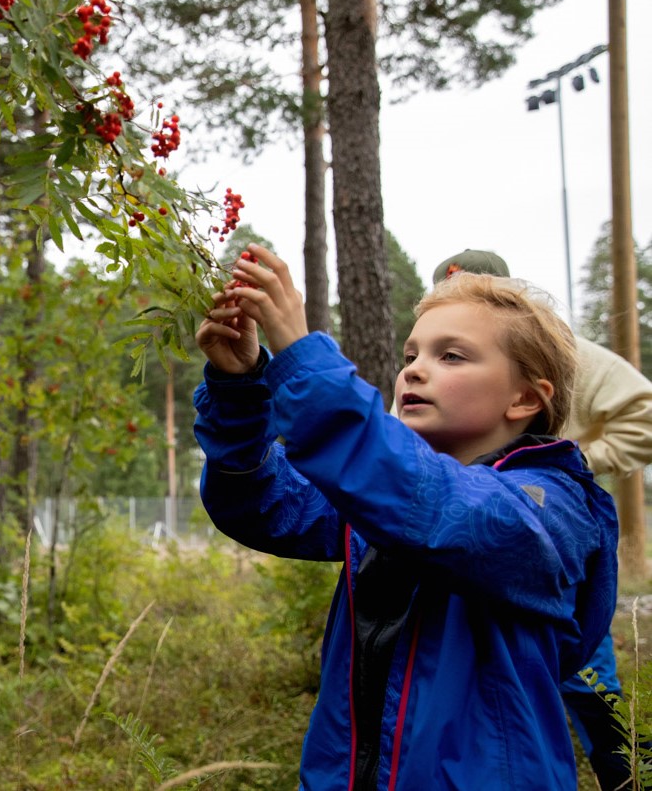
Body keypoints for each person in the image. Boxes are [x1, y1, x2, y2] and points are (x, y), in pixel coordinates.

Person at [193, 244, 618, 790]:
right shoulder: (386, 495)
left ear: (524, 398)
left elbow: (445, 510)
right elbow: (261, 504)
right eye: (412, 354)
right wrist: (241, 387)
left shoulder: (550, 505)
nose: (415, 370)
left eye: (452, 356)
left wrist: (300, 356)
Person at [435, 248, 652, 790]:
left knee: (586, 680)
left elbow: (642, 412)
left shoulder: (561, 354)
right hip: (454, 550)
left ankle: (629, 782)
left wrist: (580, 459)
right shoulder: (429, 365)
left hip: (542, 543)